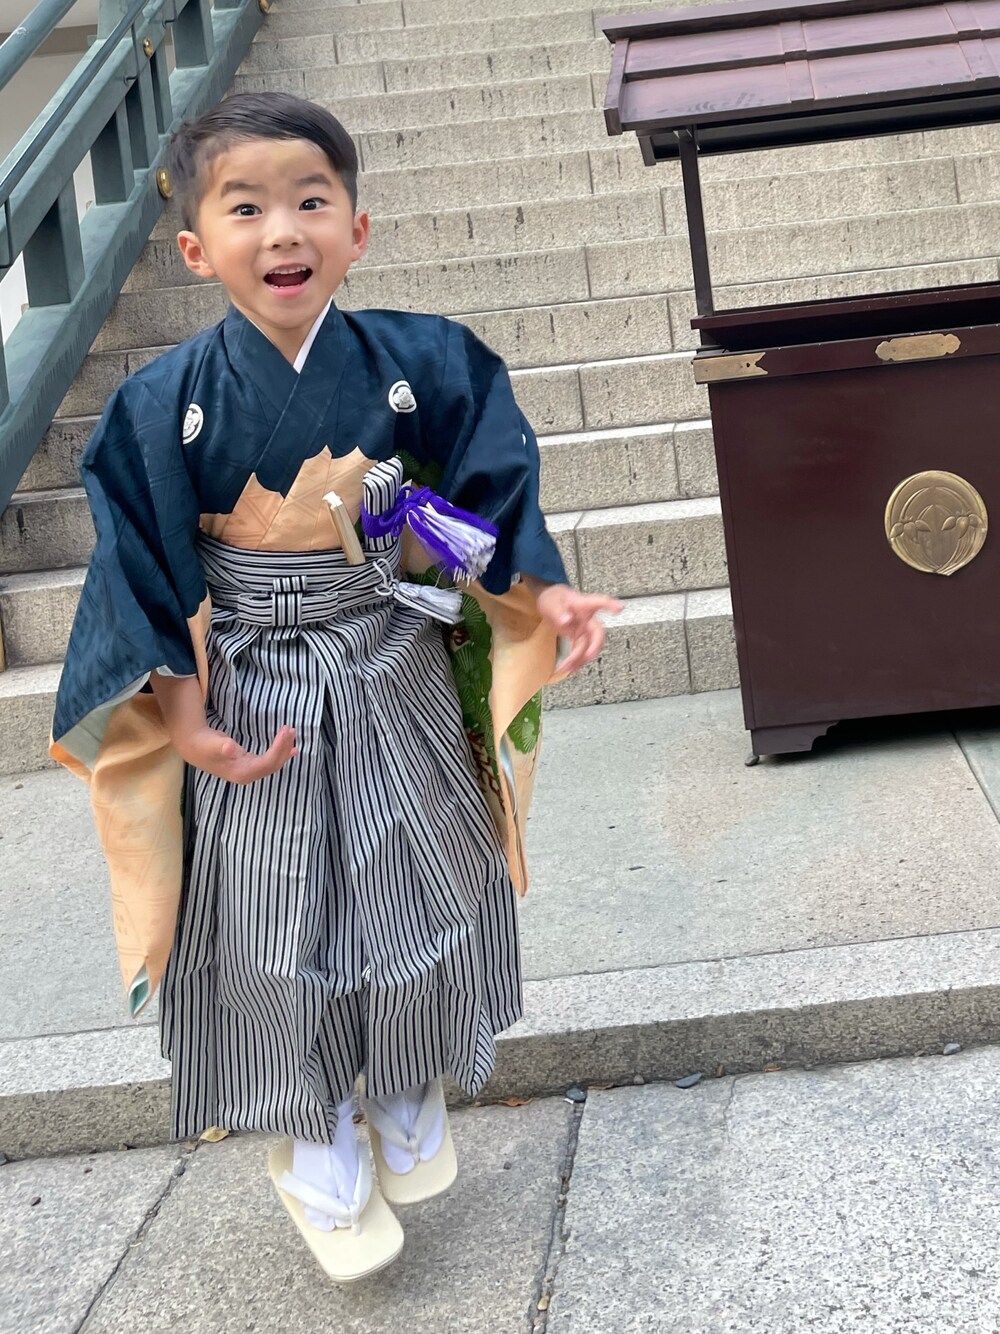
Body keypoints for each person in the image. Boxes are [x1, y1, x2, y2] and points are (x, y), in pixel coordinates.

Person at [50, 91, 621, 1281]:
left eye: (310, 200)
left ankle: (407, 1080)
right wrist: (187, 717)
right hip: (253, 680)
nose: (282, 230)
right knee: (270, 913)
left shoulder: (421, 364)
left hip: (391, 652)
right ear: (196, 247)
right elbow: (141, 568)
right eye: (245, 207)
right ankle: (308, 1136)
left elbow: (460, 502)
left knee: (426, 872)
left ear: (356, 229)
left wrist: (540, 588)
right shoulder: (162, 403)